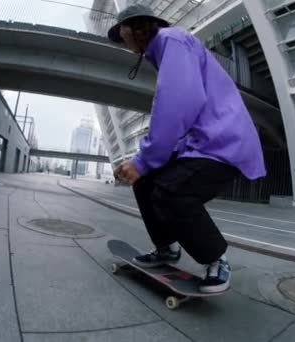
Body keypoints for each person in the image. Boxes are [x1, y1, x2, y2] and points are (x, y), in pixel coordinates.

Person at [109, 5, 266, 293]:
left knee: (172, 192)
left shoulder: (172, 41)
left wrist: (144, 159)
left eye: (121, 34)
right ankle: (166, 248)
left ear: (133, 28)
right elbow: (182, 110)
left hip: (223, 143)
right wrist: (144, 165)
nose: (123, 42)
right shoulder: (164, 49)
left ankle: (216, 261)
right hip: (201, 144)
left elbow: (177, 103)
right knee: (145, 181)